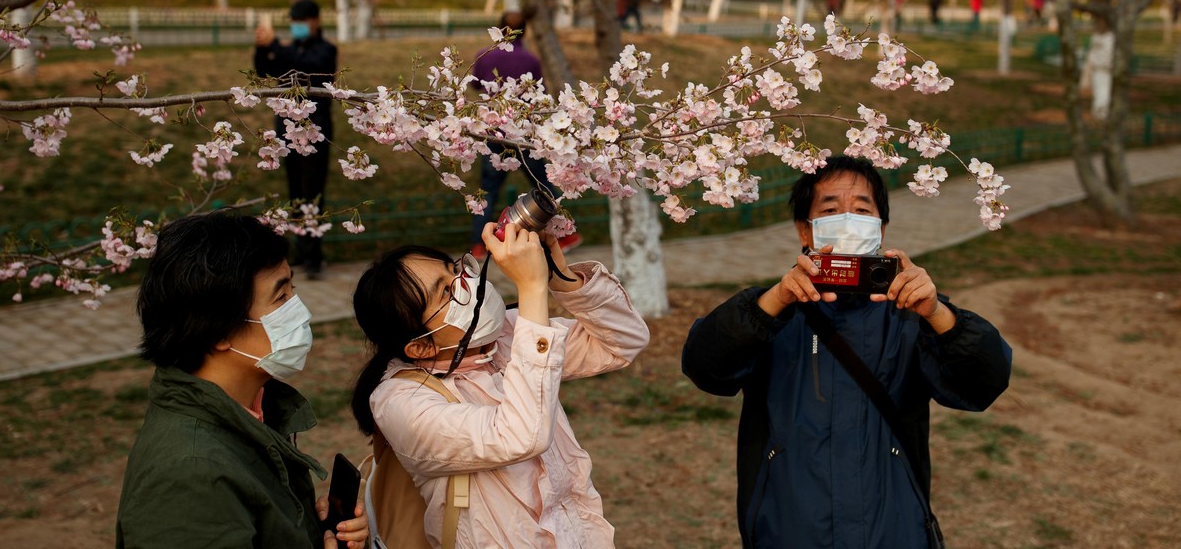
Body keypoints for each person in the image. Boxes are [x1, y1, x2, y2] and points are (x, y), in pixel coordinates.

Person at [681, 155, 1012, 549]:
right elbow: (704, 367)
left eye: (861, 209)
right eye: (831, 209)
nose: (848, 219)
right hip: (790, 528)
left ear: (881, 228)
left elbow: (984, 383)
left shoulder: (910, 315)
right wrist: (773, 302)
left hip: (893, 530)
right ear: (806, 230)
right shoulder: (771, 313)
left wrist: (938, 314)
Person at [349, 220, 651, 548]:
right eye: (447, 291)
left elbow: (622, 342)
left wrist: (556, 273)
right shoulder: (401, 403)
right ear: (420, 347)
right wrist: (531, 289)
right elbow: (520, 435)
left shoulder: (505, 335)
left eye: (455, 270)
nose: (466, 283)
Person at [116, 210, 370, 549]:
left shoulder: (250, 410)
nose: (301, 310)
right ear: (218, 330)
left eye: (292, 288)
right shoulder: (190, 476)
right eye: (280, 298)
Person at [469, 6, 580, 258]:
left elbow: (476, 85)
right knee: (543, 183)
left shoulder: (484, 56)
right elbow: (536, 92)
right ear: (524, 32)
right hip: (525, 132)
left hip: (493, 132)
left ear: (499, 29)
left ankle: (478, 244)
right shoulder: (531, 60)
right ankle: (564, 234)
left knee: (487, 191)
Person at [255, 0, 338, 278]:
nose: (297, 27)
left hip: (314, 134)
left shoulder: (327, 51)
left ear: (315, 21)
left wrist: (276, 46)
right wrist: (262, 47)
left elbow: (306, 67)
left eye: (301, 21)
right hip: (287, 133)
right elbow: (265, 71)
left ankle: (314, 257)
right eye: (294, 22)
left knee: (312, 194)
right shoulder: (288, 50)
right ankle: (300, 253)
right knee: (294, 194)